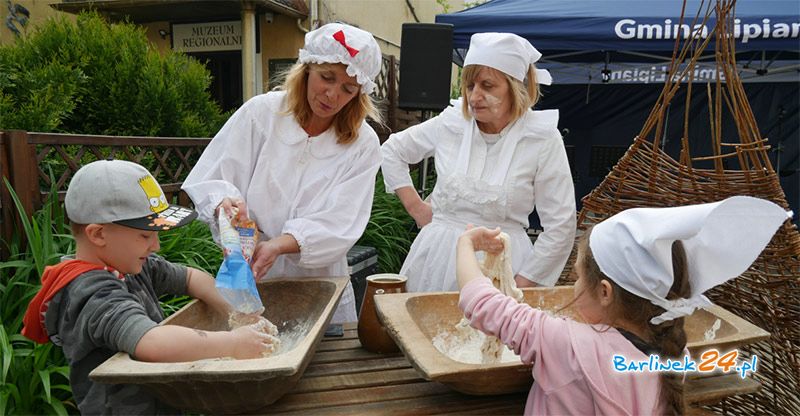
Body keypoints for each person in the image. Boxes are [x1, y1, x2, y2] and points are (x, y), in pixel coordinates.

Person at [455, 196, 790, 415]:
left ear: (604, 292)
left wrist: (465, 244)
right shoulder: (675, 355)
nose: (572, 285)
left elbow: (481, 301)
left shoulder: (568, 344)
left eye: (576, 277)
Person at [21, 160, 277, 415]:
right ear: (98, 234)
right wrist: (232, 343)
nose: (155, 245)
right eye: (145, 235)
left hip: (160, 401)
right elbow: (151, 342)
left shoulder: (128, 263)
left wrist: (236, 314)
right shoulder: (92, 294)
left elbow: (191, 278)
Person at [182, 23, 383, 324]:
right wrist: (226, 204)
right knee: (250, 347)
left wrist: (280, 245)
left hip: (320, 281)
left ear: (359, 94)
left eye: (348, 89)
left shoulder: (362, 143)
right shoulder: (260, 115)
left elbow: (342, 220)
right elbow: (217, 176)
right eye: (326, 77)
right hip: (250, 272)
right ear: (307, 69)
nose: (332, 94)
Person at [381, 32, 575, 292]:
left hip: (503, 267)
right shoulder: (451, 123)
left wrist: (521, 284)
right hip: (436, 262)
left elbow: (561, 224)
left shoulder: (541, 137)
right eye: (470, 86)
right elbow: (393, 150)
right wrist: (416, 208)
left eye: (487, 85)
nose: (474, 96)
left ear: (514, 87)